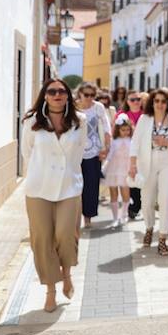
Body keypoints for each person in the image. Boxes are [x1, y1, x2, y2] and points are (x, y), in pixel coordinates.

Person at [21, 79, 87, 313]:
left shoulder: (80, 121)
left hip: (69, 187)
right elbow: (27, 153)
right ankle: (50, 290)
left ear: (68, 95)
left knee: (66, 234)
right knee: (42, 239)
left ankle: (66, 274)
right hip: (38, 188)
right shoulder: (32, 122)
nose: (57, 94)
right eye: (52, 91)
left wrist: (72, 175)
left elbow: (79, 152)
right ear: (45, 96)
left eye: (61, 91)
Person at [129, 88, 168, 256]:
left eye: (163, 101)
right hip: (148, 163)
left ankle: (162, 238)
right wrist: (132, 164)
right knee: (147, 200)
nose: (160, 104)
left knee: (166, 198)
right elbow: (135, 142)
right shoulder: (144, 119)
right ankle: (149, 227)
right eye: (157, 101)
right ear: (152, 102)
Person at [75, 83, 111, 229]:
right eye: (86, 95)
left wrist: (106, 148)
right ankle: (74, 216)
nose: (90, 98)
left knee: (91, 185)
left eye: (92, 95)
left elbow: (106, 127)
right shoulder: (73, 107)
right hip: (75, 152)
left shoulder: (98, 107)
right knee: (75, 185)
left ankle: (88, 217)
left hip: (94, 152)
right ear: (80, 94)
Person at [116, 92, 146, 219]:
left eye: (138, 99)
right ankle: (133, 207)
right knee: (131, 178)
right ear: (127, 101)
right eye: (132, 99)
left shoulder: (146, 114)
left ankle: (139, 206)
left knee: (142, 178)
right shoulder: (122, 115)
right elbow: (115, 133)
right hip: (127, 151)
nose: (136, 102)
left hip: (144, 151)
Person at [102, 117, 134, 224]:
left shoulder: (132, 141)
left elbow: (134, 155)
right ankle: (115, 218)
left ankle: (124, 215)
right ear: (118, 130)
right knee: (113, 193)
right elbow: (110, 155)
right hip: (113, 169)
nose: (126, 132)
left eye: (128, 130)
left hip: (126, 169)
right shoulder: (114, 141)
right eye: (123, 130)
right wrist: (105, 166)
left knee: (125, 193)